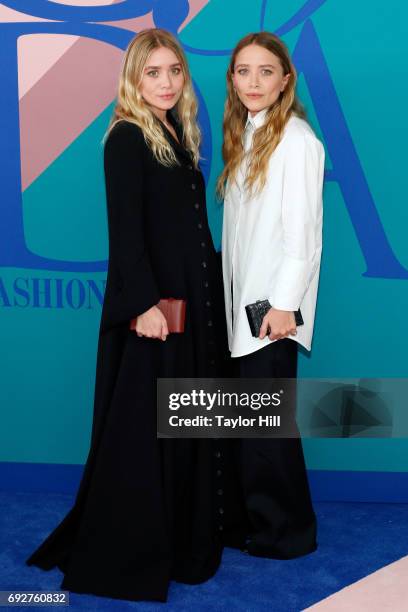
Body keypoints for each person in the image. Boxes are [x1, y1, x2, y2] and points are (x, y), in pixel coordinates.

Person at [26, 28, 229, 603]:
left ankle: (188, 535)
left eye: (174, 71)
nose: (166, 83)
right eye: (153, 73)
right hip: (154, 309)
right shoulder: (126, 137)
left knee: (187, 418)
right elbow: (127, 232)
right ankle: (136, 548)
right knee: (145, 431)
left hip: (192, 302)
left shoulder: (177, 133)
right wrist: (142, 305)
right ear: (134, 79)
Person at [218, 32, 325, 559]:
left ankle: (287, 534)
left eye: (265, 71)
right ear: (232, 80)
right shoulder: (249, 135)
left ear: (287, 80)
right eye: (243, 71)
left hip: (270, 315)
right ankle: (260, 522)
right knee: (252, 425)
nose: (253, 82)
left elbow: (302, 237)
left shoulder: (297, 140)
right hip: (246, 310)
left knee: (267, 429)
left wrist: (283, 306)